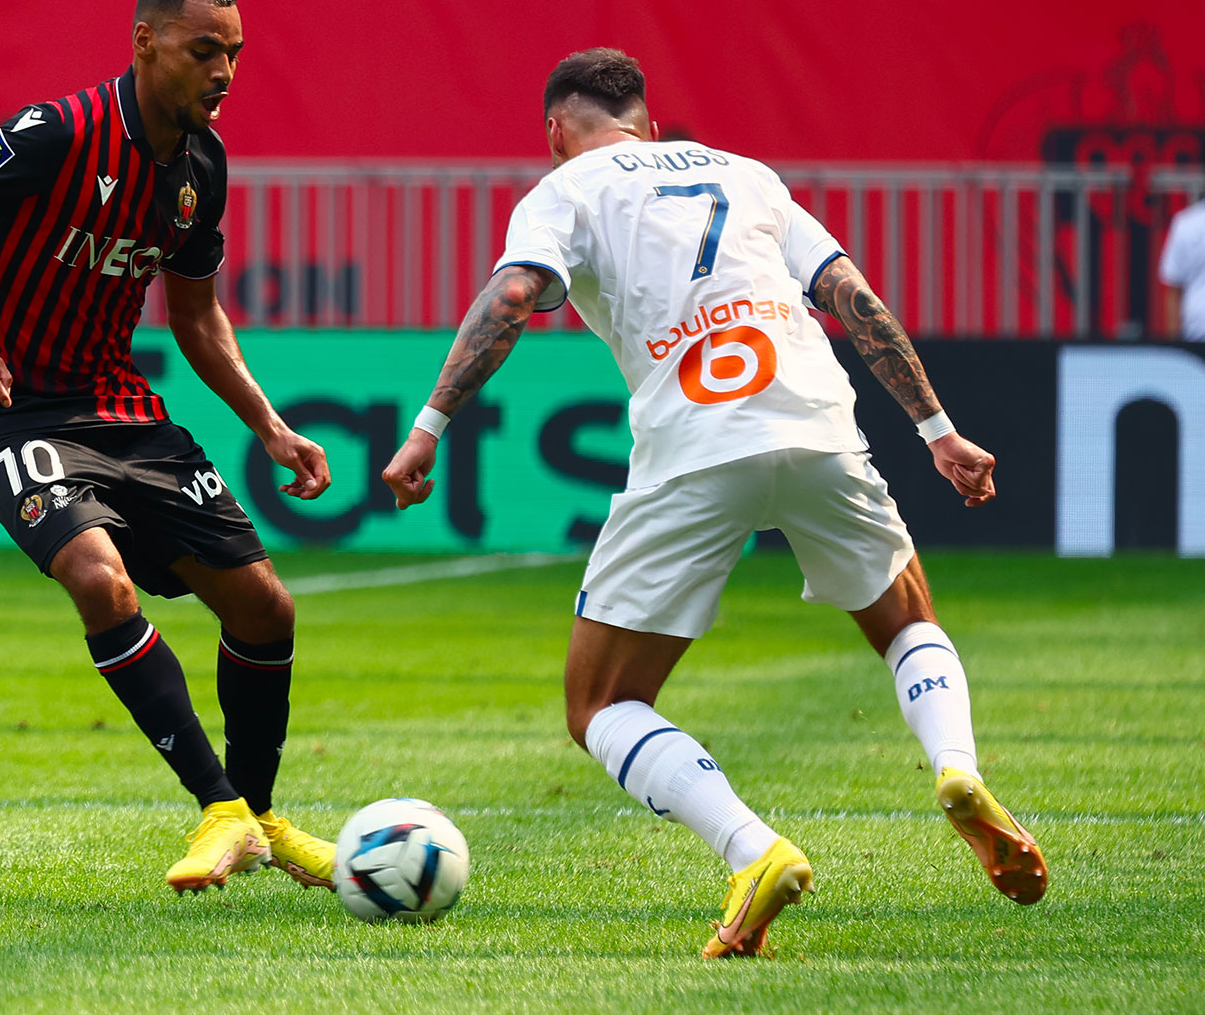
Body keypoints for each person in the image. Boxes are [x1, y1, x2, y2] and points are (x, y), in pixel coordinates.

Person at [381, 48, 1047, 957]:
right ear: (650, 124)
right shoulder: (746, 173)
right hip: (816, 423)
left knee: (600, 705)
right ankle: (957, 769)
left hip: (695, 445)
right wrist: (939, 431)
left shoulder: (563, 190)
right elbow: (850, 298)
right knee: (904, 621)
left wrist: (428, 428)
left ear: (555, 132)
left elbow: (512, 298)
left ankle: (753, 849)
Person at [0, 0, 336, 895]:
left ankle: (254, 820)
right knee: (101, 581)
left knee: (266, 608)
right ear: (146, 42)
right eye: (203, 50)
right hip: (17, 409)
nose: (224, 71)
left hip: (123, 407)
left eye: (234, 53)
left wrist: (270, 427)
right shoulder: (59, 130)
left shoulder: (203, 166)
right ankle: (217, 805)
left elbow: (197, 318)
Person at [1158, 196, 1205, 341]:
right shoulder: (1186, 223)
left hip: (1195, 332)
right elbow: (1174, 289)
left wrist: (1175, 345)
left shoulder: (1186, 223)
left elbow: (1174, 291)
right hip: (1196, 333)